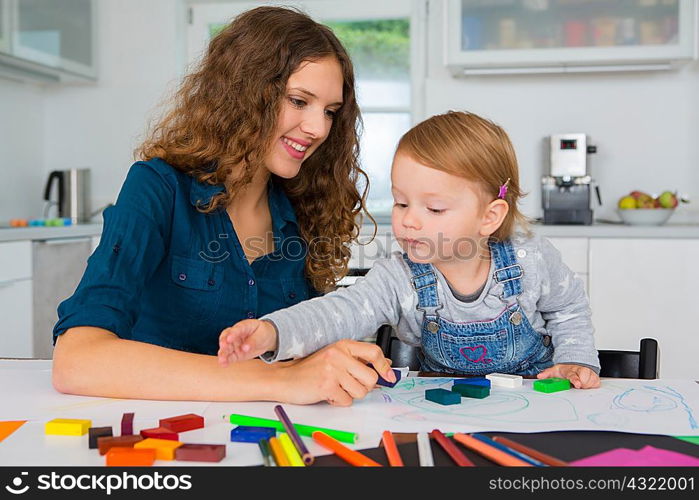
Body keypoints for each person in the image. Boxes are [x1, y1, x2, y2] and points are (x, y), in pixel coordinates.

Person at [52, 6, 394, 406]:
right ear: (244, 93)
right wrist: (276, 382)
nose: (318, 128)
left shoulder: (307, 206)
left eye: (330, 112)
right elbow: (75, 360)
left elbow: (301, 347)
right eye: (299, 101)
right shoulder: (158, 187)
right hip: (158, 433)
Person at [218, 111, 602, 390]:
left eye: (433, 209)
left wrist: (575, 361)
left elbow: (569, 310)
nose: (409, 221)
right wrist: (271, 332)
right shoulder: (398, 276)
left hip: (535, 408)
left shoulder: (530, 258)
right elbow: (339, 313)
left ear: (489, 216)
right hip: (443, 414)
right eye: (401, 203)